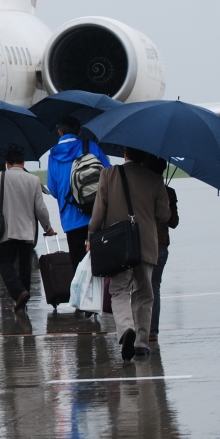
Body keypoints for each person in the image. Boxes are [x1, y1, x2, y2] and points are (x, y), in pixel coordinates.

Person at [87, 147, 171, 361]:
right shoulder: (154, 179)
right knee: (145, 293)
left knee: (119, 291)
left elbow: (98, 212)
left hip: (118, 244)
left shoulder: (109, 174)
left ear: (125, 153)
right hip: (146, 245)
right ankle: (142, 344)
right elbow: (164, 215)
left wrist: (92, 236)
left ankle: (125, 330)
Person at [0, 146, 56, 310]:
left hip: (7, 231)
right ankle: (23, 299)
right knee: (25, 265)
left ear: (7, 164)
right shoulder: (33, 180)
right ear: (23, 163)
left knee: (4, 261)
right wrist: (48, 228)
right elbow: (41, 209)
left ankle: (19, 293)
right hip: (27, 230)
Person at [45, 116, 110, 271]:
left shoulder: (53, 155)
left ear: (60, 132)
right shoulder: (91, 146)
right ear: (79, 132)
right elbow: (109, 176)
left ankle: (82, 294)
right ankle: (102, 294)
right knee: (102, 262)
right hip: (96, 213)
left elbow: (53, 189)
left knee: (78, 266)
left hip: (70, 217)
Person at [143, 153, 178, 343]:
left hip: (142, 243)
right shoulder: (168, 192)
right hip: (161, 244)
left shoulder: (139, 191)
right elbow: (173, 222)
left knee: (140, 286)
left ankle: (137, 327)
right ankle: (152, 331)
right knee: (154, 287)